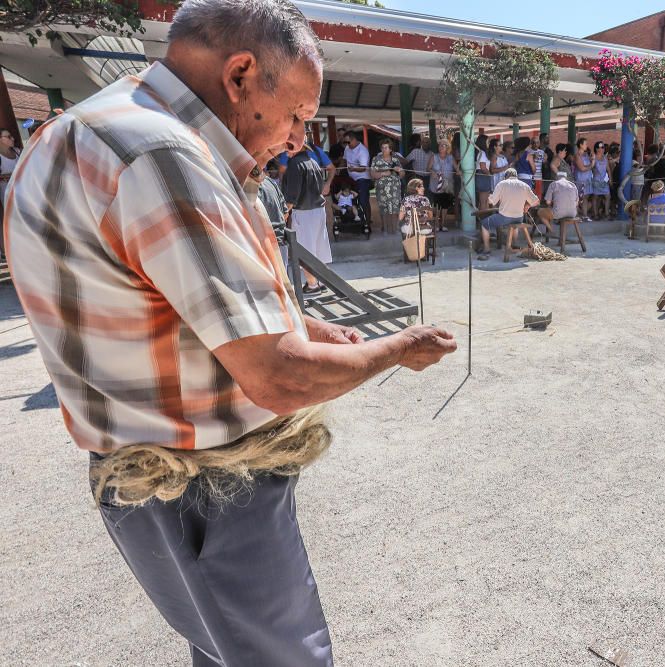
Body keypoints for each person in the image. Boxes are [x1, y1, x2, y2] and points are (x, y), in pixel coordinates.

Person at [3, 1, 457, 665]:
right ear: (240, 75)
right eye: (299, 113)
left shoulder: (84, 129)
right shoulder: (164, 154)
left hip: (149, 483)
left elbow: (160, 302)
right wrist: (396, 349)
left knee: (221, 650)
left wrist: (295, 322)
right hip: (208, 492)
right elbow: (280, 375)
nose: (301, 139)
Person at [283, 143, 334, 294]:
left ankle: (312, 285)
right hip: (318, 210)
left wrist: (285, 213)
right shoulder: (313, 162)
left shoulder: (295, 165)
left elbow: (292, 194)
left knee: (304, 249)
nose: (286, 151)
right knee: (318, 248)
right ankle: (319, 281)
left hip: (304, 212)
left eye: (288, 147)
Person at [479, 167, 539, 260]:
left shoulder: (502, 184)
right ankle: (513, 245)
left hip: (504, 217)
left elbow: (492, 201)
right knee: (515, 225)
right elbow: (536, 201)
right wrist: (527, 205)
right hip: (519, 217)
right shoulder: (524, 185)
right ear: (516, 176)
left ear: (505, 176)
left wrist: (489, 197)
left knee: (484, 224)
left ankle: (487, 249)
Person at [370, 137, 404, 233]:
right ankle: (385, 228)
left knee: (395, 208)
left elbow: (402, 174)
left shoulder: (395, 160)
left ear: (390, 149)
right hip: (382, 189)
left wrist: (399, 170)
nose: (384, 150)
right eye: (382, 147)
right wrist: (383, 173)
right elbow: (372, 174)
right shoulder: (376, 159)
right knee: (383, 208)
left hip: (394, 188)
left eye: (386, 148)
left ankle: (395, 228)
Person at [0, 127, 21, 259]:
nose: (12, 138)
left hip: (23, 193)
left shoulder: (18, 151)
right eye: (8, 136)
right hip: (6, 196)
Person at [429, 139, 456, 231]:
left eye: (443, 145)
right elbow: (428, 168)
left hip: (447, 185)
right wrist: (432, 172)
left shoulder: (451, 157)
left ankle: (443, 224)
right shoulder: (434, 157)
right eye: (440, 145)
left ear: (447, 147)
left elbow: (457, 169)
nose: (441, 147)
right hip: (436, 185)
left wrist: (460, 172)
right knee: (437, 205)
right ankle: (436, 225)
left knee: (445, 205)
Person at [345, 129, 371, 221]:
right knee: (351, 200)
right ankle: (357, 219)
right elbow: (344, 159)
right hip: (351, 179)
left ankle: (366, 221)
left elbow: (363, 168)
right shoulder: (347, 148)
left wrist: (353, 169)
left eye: (348, 142)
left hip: (362, 179)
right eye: (345, 142)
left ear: (354, 140)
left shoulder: (362, 151)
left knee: (363, 201)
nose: (347, 144)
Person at [574, 137, 594, 220]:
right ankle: (576, 215)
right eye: (585, 144)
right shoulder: (577, 156)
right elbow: (582, 168)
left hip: (587, 179)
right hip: (581, 179)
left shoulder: (586, 155)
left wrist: (592, 159)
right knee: (579, 198)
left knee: (585, 197)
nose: (587, 145)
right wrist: (591, 164)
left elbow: (587, 166)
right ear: (580, 145)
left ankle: (585, 215)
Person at [591, 141, 612, 219]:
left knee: (607, 196)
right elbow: (591, 168)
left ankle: (606, 213)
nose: (602, 149)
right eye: (600, 147)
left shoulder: (605, 158)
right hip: (596, 180)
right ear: (596, 149)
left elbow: (608, 169)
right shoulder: (593, 157)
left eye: (603, 147)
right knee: (595, 197)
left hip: (604, 181)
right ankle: (595, 214)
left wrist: (610, 179)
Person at [475, 134, 492, 211]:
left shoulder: (482, 152)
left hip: (482, 176)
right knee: (483, 202)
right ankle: (484, 220)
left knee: (484, 201)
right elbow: (483, 167)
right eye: (487, 141)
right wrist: (490, 174)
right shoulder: (482, 153)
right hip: (483, 176)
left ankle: (484, 219)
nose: (489, 143)